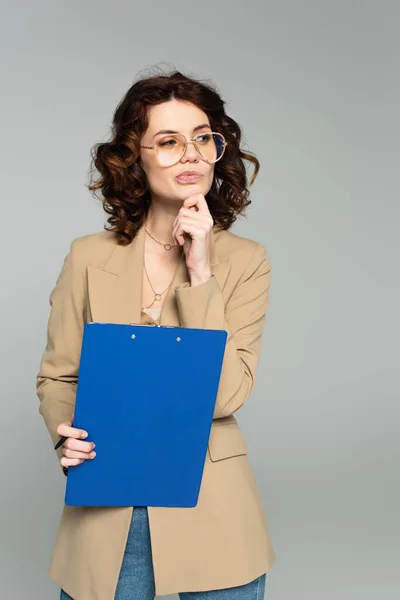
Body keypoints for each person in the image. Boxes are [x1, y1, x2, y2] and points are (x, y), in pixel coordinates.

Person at [36, 69, 276, 600]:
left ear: (220, 150)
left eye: (202, 138)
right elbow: (59, 377)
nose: (189, 154)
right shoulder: (88, 256)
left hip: (212, 518)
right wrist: (63, 430)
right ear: (134, 158)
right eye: (167, 142)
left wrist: (202, 273)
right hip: (106, 514)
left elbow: (226, 395)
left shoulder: (246, 262)